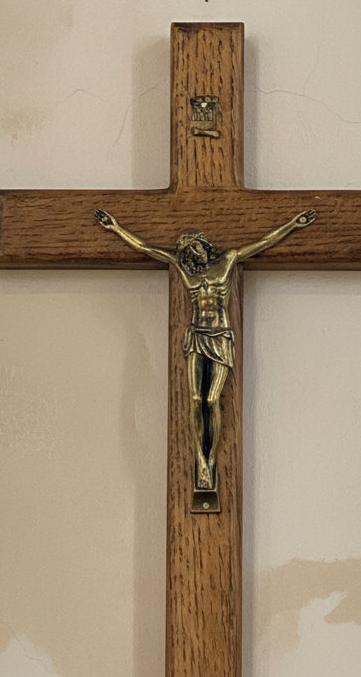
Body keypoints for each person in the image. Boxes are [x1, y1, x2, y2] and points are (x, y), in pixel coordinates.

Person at [95, 207, 316, 491]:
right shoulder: (183, 267)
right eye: (187, 250)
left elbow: (263, 242)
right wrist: (115, 228)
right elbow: (146, 247)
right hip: (197, 335)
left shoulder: (228, 259)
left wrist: (293, 224)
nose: (193, 253)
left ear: (204, 244)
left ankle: (211, 457)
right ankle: (201, 458)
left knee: (212, 400)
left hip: (221, 336)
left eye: (195, 247)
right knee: (195, 398)